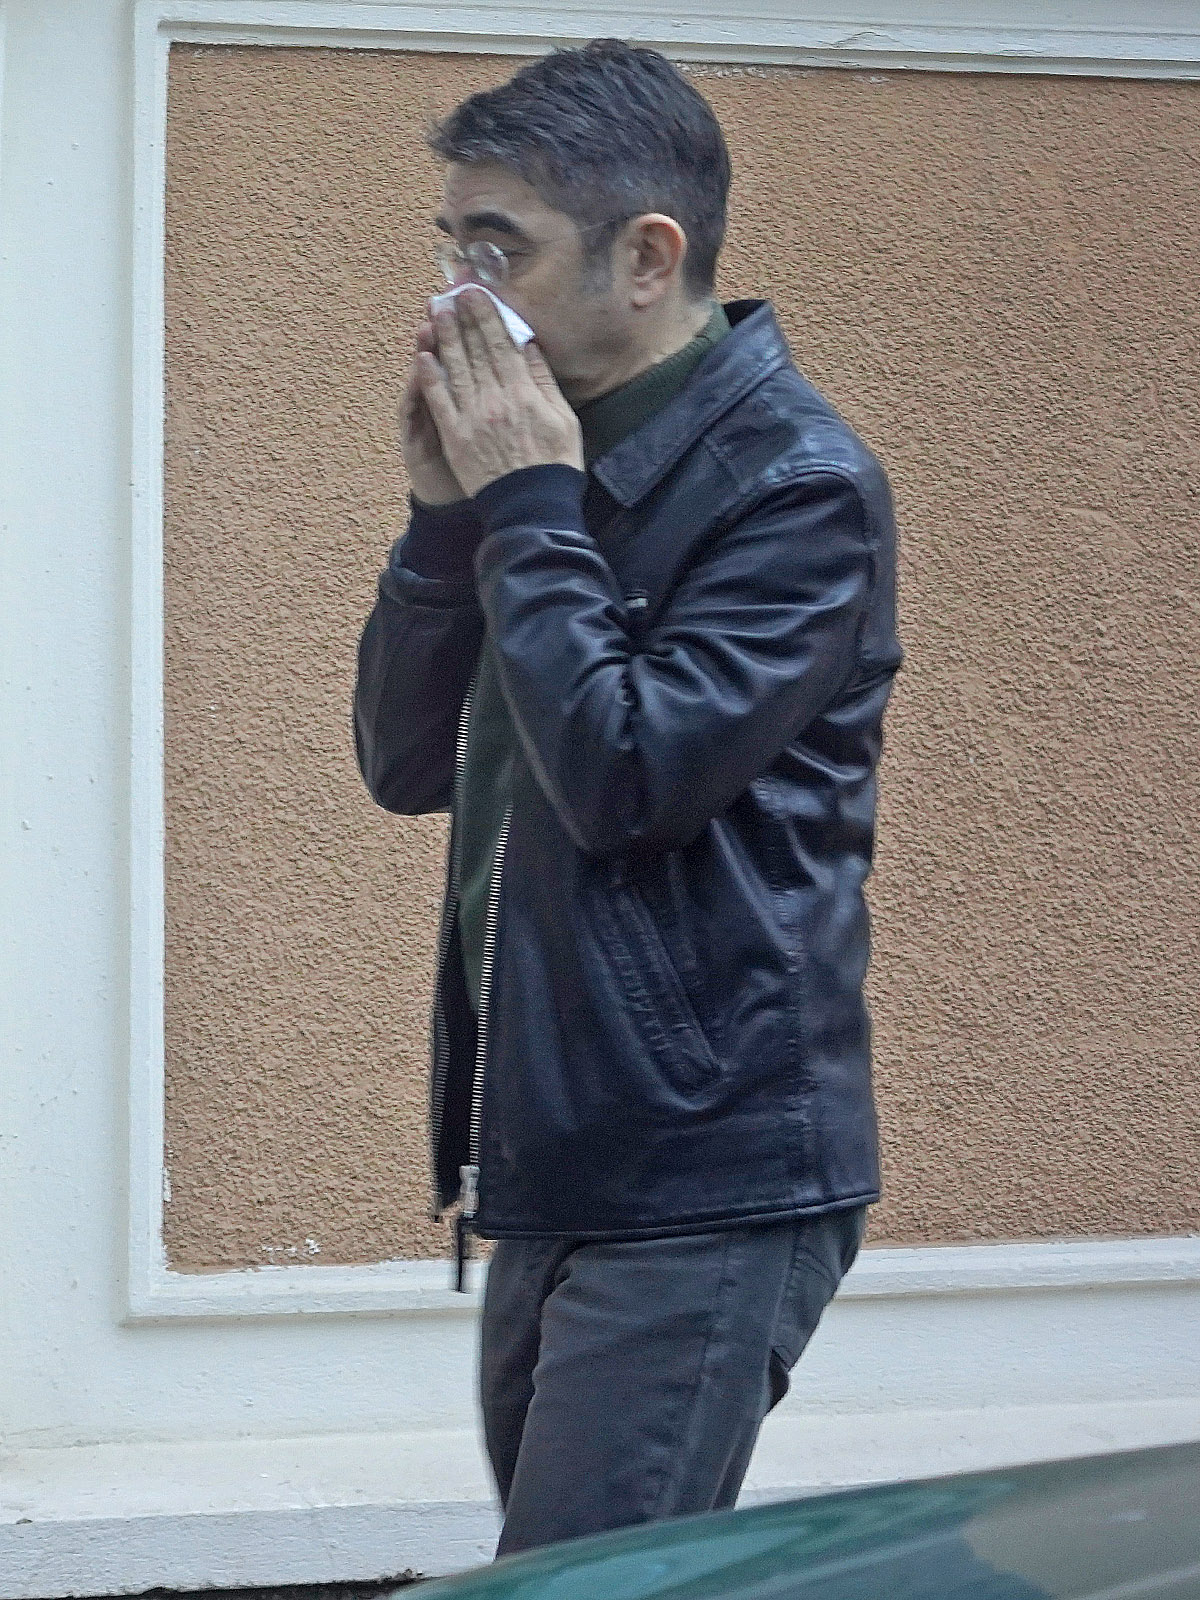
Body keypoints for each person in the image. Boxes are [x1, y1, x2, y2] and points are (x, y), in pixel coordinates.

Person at [354, 39, 902, 1558]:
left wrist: (528, 505)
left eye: (501, 249)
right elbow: (405, 766)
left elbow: (626, 776)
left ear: (648, 257)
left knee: (581, 1585)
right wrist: (441, 523)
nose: (459, 300)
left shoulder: (795, 485)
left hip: (703, 1175)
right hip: (549, 1155)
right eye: (452, 247)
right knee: (567, 1581)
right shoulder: (550, 460)